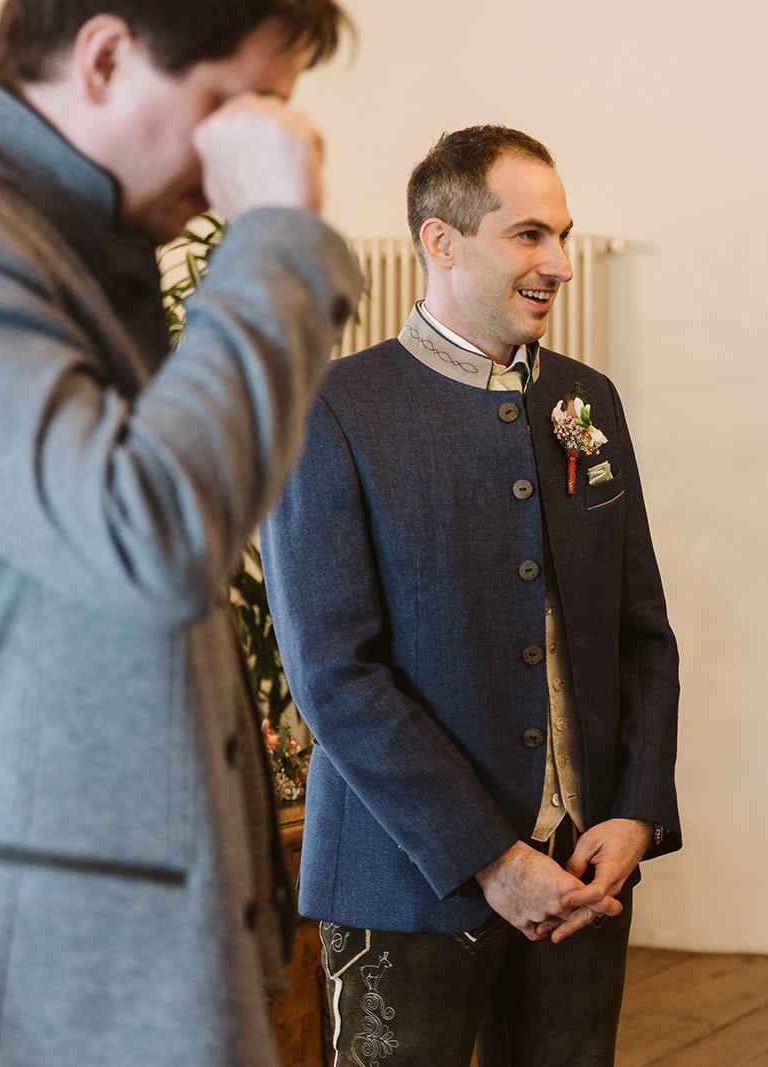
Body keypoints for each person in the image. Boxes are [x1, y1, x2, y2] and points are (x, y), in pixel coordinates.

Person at [0, 2, 360, 1065]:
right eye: (227, 107)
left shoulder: (56, 232)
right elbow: (148, 534)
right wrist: (276, 243)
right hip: (25, 980)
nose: (230, 165)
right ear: (107, 56)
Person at [260, 125, 682, 1067]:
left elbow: (642, 634)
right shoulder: (329, 411)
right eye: (529, 235)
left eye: (564, 235)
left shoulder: (589, 401)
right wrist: (493, 856)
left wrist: (634, 811)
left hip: (586, 871)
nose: (560, 264)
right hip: (404, 881)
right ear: (440, 241)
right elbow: (334, 676)